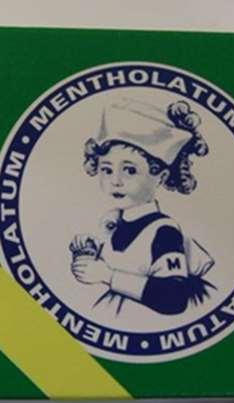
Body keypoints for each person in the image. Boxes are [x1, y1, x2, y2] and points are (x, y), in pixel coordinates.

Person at [70, 98, 214, 316]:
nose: (115, 181)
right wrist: (87, 250)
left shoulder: (164, 231)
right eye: (107, 170)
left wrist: (107, 276)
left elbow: (174, 298)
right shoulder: (112, 223)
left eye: (129, 170)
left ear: (160, 177)